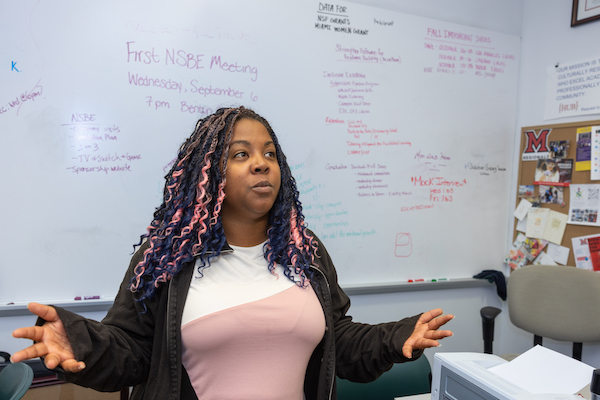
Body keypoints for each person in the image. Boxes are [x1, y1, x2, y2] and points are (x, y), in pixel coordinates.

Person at [11, 107, 453, 400]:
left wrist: (397, 338)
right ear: (206, 174)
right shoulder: (167, 255)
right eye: (241, 154)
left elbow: (340, 342)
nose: (261, 163)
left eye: (269, 153)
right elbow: (132, 353)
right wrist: (80, 341)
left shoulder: (306, 252)